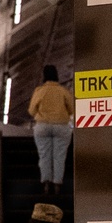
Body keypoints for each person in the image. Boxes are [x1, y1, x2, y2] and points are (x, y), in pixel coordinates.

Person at [28, 64, 74, 197]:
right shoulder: (63, 91)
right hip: (61, 126)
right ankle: (57, 185)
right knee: (59, 156)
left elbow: (31, 110)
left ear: (44, 76)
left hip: (42, 126)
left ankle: (46, 184)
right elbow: (71, 109)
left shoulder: (40, 91)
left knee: (44, 155)